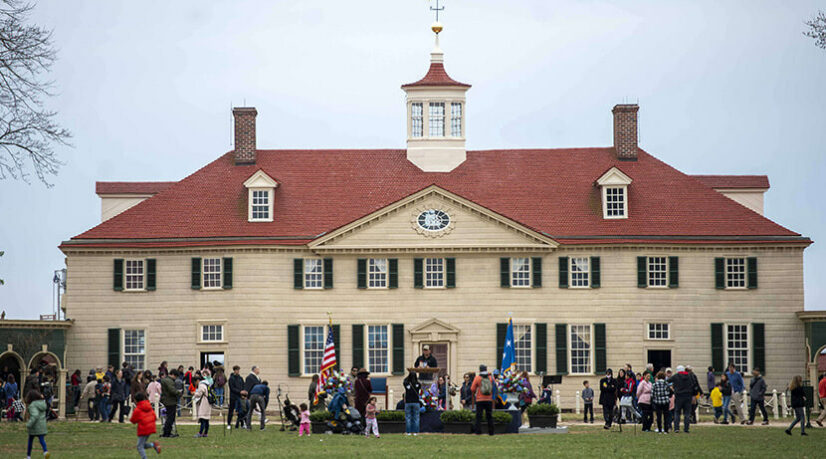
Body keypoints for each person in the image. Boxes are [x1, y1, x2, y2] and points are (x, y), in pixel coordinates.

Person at [130, 392, 162, 459]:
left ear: (136, 400)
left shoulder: (138, 409)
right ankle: (153, 445)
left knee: (139, 446)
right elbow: (155, 417)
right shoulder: (148, 406)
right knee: (142, 445)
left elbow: (133, 420)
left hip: (143, 428)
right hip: (151, 427)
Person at [470, 364, 495, 436]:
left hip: (480, 400)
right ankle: (491, 432)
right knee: (489, 416)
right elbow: (493, 387)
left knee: (479, 416)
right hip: (489, 400)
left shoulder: (477, 378)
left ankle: (478, 431)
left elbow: (472, 389)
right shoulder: (490, 378)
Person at [25, 390, 50, 459]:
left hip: (34, 426)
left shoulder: (32, 405)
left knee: (30, 441)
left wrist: (29, 424)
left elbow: (35, 415)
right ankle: (45, 451)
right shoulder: (42, 403)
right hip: (42, 425)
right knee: (42, 440)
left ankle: (28, 456)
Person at [670, 365, 693, 433]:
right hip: (688, 396)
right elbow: (693, 384)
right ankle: (686, 429)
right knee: (687, 413)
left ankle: (676, 428)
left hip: (679, 396)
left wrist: (672, 388)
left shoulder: (676, 376)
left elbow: (668, 381)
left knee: (677, 412)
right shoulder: (689, 376)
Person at [159, 370, 179, 438]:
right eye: (175, 376)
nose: (175, 378)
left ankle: (167, 432)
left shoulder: (166, 380)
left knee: (169, 417)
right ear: (173, 374)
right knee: (170, 418)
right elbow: (172, 390)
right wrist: (178, 393)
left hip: (167, 400)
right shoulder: (169, 381)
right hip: (170, 401)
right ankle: (166, 433)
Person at [403, 371, 421, 436]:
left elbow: (404, 381)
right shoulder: (418, 384)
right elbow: (419, 387)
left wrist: (408, 377)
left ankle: (408, 432)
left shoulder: (407, 383)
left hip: (408, 402)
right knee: (416, 417)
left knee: (408, 417)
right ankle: (416, 432)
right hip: (416, 401)